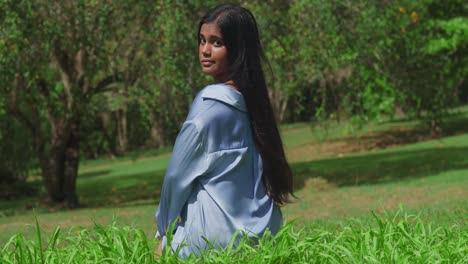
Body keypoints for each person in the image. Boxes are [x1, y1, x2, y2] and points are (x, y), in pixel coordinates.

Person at [154, 3, 293, 258]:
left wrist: (164, 232)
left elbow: (176, 178)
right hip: (264, 235)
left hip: (212, 242)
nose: (205, 50)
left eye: (216, 43)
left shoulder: (207, 112)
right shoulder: (254, 102)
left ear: (238, 49)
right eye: (202, 40)